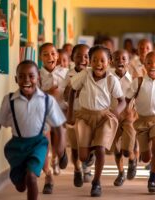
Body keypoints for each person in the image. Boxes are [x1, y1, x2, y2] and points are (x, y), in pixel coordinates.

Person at [0, 60, 67, 200]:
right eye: (21, 76)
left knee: (31, 177)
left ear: (38, 77)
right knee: (21, 185)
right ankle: (17, 177)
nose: (26, 80)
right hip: (16, 146)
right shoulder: (10, 100)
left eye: (31, 76)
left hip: (38, 144)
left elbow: (58, 126)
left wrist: (61, 150)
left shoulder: (47, 100)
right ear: (16, 79)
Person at [67, 45, 126, 197]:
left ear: (109, 62)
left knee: (100, 149)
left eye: (102, 60)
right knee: (83, 157)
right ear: (90, 62)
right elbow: (73, 90)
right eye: (94, 60)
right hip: (84, 117)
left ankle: (96, 183)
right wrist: (70, 113)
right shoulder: (85, 75)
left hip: (103, 118)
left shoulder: (112, 80)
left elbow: (122, 101)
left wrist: (115, 112)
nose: (98, 64)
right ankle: (89, 154)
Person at [126, 51, 155, 193]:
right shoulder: (138, 82)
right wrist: (127, 110)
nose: (153, 66)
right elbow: (127, 98)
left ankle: (152, 179)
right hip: (142, 121)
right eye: (149, 62)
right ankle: (147, 158)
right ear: (144, 65)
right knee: (145, 158)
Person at [39, 42, 69, 194]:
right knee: (45, 143)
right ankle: (48, 176)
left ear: (57, 56)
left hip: (61, 112)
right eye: (45, 54)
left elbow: (72, 92)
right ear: (40, 58)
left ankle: (59, 155)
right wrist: (47, 93)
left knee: (58, 144)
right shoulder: (37, 74)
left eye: (52, 53)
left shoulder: (65, 73)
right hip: (43, 114)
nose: (49, 56)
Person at [64, 44, 95, 187]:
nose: (82, 59)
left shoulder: (93, 73)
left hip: (89, 114)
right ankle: (77, 169)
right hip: (73, 114)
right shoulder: (69, 74)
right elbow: (65, 96)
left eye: (86, 56)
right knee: (75, 147)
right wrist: (71, 89)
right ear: (72, 58)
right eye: (78, 56)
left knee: (90, 144)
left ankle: (87, 166)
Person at [110, 50, 138, 186]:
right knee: (116, 149)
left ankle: (132, 159)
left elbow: (139, 97)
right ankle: (121, 173)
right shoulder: (108, 77)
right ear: (111, 61)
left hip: (128, 116)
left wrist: (135, 112)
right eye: (116, 58)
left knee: (127, 150)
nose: (120, 61)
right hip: (113, 116)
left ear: (128, 62)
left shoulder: (134, 79)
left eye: (123, 58)